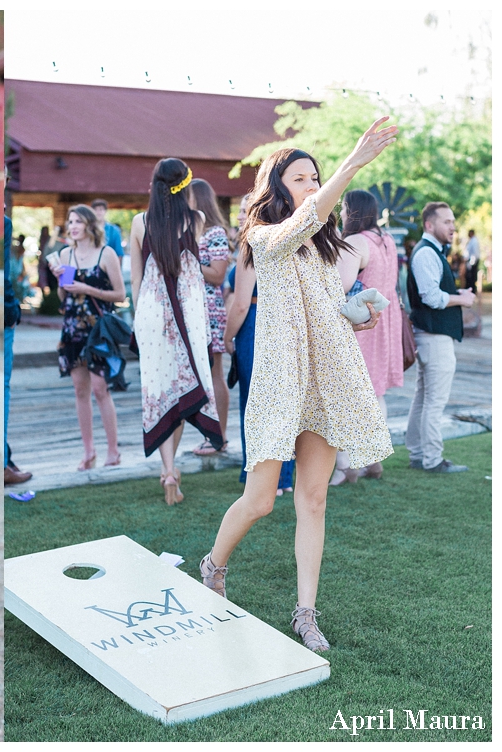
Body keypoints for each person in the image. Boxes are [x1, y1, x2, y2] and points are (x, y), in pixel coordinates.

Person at [199, 119, 397, 652]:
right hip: (282, 379)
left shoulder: (324, 247)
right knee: (260, 501)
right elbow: (309, 218)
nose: (312, 185)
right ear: (278, 186)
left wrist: (354, 316)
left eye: (316, 177)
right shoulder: (264, 237)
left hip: (327, 375)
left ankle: (305, 613)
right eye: (303, 178)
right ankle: (213, 566)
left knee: (313, 499)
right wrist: (353, 162)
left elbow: (323, 304)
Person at [129, 159, 223, 504]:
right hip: (189, 315)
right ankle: (172, 472)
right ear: (185, 185)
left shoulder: (139, 222)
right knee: (186, 389)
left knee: (158, 388)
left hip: (151, 314)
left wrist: (139, 321)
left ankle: (167, 470)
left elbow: (136, 280)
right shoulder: (196, 220)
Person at [329, 189, 404, 485]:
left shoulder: (355, 241)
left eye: (344, 209)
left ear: (353, 211)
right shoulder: (387, 240)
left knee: (347, 396)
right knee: (375, 393)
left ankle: (347, 465)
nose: (341, 214)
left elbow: (341, 284)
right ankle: (373, 459)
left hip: (361, 324)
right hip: (385, 322)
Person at [223, 195, 294, 498]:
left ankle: (261, 478)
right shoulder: (292, 241)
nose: (240, 216)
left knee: (255, 404)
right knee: (283, 404)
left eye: (244, 210)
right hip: (287, 324)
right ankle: (285, 476)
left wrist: (228, 337)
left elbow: (239, 304)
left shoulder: (252, 243)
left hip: (256, 321)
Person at [48, 204, 126, 470]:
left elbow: (120, 295)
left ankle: (113, 451)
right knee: (80, 390)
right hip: (72, 328)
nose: (72, 226)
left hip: (97, 329)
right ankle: (88, 451)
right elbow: (64, 296)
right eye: (70, 222)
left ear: (90, 225)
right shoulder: (65, 254)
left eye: (78, 221)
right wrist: (61, 279)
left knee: (100, 389)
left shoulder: (107, 254)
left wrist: (87, 288)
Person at [404, 201, 475, 473]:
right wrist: (463, 299)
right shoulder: (426, 254)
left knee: (423, 398)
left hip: (431, 336)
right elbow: (431, 297)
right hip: (434, 337)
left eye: (453, 222)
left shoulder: (431, 252)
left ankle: (419, 455)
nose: (453, 227)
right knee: (434, 401)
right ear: (429, 224)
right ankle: (432, 460)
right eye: (447, 222)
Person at [188, 179, 231, 456]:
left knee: (215, 372)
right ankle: (209, 433)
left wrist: (189, 259)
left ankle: (219, 437)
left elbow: (217, 274)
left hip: (209, 310)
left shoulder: (215, 233)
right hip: (190, 309)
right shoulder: (188, 232)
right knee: (198, 375)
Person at [4, 212, 32, 485]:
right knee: (3, 389)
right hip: (5, 316)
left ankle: (4, 458)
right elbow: (7, 278)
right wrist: (12, 309)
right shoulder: (4, 224)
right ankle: (2, 462)